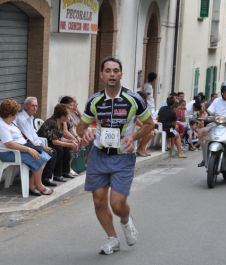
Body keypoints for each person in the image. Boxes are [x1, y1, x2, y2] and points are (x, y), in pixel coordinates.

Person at [77, 57, 155, 255]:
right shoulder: (94, 100)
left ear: (121, 74)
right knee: (99, 201)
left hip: (123, 156)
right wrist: (84, 133)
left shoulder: (134, 99)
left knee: (117, 204)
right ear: (102, 74)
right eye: (108, 71)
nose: (112, 74)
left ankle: (125, 220)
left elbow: (149, 124)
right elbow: (81, 127)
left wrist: (134, 136)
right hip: (99, 155)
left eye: (116, 71)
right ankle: (112, 239)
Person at [0, 99, 53, 196]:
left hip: (21, 147)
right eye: (15, 113)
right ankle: (39, 185)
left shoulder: (9, 120)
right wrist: (29, 149)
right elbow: (9, 144)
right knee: (38, 157)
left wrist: (31, 146)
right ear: (10, 114)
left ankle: (32, 185)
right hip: (9, 153)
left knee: (45, 156)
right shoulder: (0, 124)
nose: (16, 115)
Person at [16, 97, 57, 187]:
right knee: (49, 154)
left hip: (32, 144)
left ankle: (44, 178)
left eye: (36, 106)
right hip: (26, 145)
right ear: (26, 106)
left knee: (52, 151)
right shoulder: (21, 119)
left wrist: (42, 145)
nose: (35, 108)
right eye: (33, 106)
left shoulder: (30, 117)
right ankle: (39, 181)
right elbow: (28, 138)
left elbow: (34, 135)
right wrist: (42, 147)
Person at [37, 104, 79, 182]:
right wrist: (70, 144)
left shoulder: (60, 122)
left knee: (65, 148)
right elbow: (55, 141)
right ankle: (51, 176)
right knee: (59, 149)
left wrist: (70, 141)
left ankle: (64, 172)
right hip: (43, 144)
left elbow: (59, 138)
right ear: (62, 116)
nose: (69, 116)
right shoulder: (52, 123)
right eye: (68, 115)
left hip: (51, 142)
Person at [135, 91, 155, 157]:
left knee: (151, 132)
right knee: (149, 132)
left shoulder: (144, 105)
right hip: (134, 126)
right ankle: (140, 149)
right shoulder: (135, 104)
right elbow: (135, 119)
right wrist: (144, 127)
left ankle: (142, 148)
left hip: (140, 125)